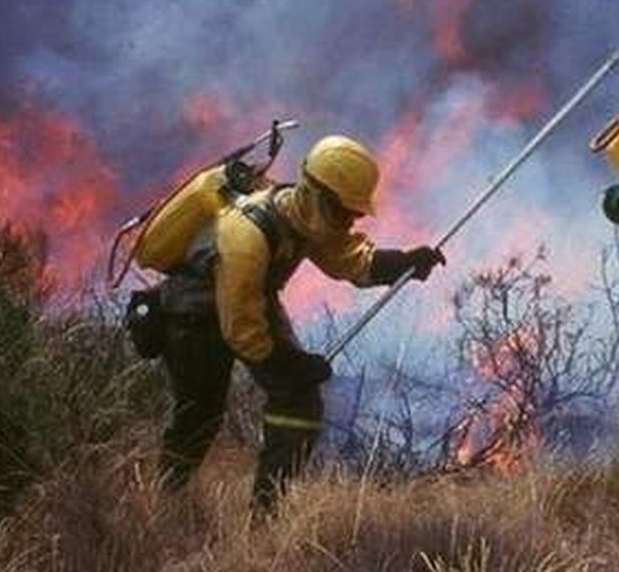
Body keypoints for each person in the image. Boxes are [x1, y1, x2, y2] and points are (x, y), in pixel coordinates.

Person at [152, 134, 445, 511]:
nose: (350, 220)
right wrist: (292, 363)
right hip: (194, 312)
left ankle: (266, 511)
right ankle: (162, 499)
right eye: (345, 212)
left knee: (299, 403)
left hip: (251, 300)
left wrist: (404, 263)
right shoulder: (247, 234)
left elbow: (350, 259)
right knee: (201, 413)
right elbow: (241, 330)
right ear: (316, 195)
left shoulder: (310, 220)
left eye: (354, 214)